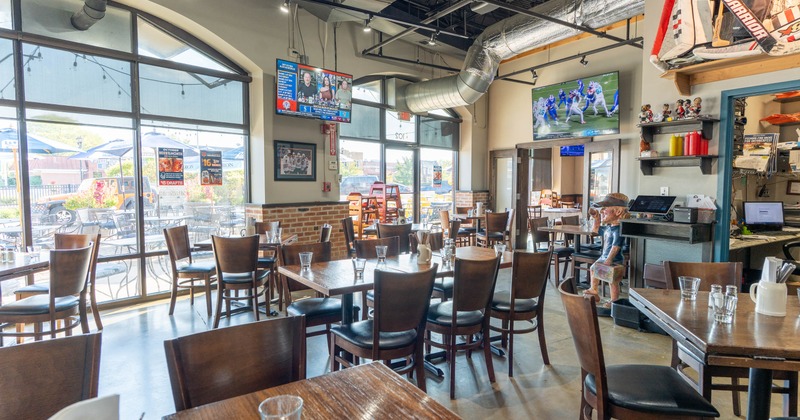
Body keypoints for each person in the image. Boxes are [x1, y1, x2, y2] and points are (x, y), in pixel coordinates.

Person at [584, 192, 629, 305]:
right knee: (594, 269)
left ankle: (614, 301)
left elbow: (615, 247)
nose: (602, 211)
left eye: (605, 208)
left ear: (618, 212)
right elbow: (594, 231)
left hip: (614, 259)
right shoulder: (608, 228)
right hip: (604, 257)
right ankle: (594, 290)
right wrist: (596, 218)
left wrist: (609, 260)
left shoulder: (618, 230)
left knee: (612, 281)